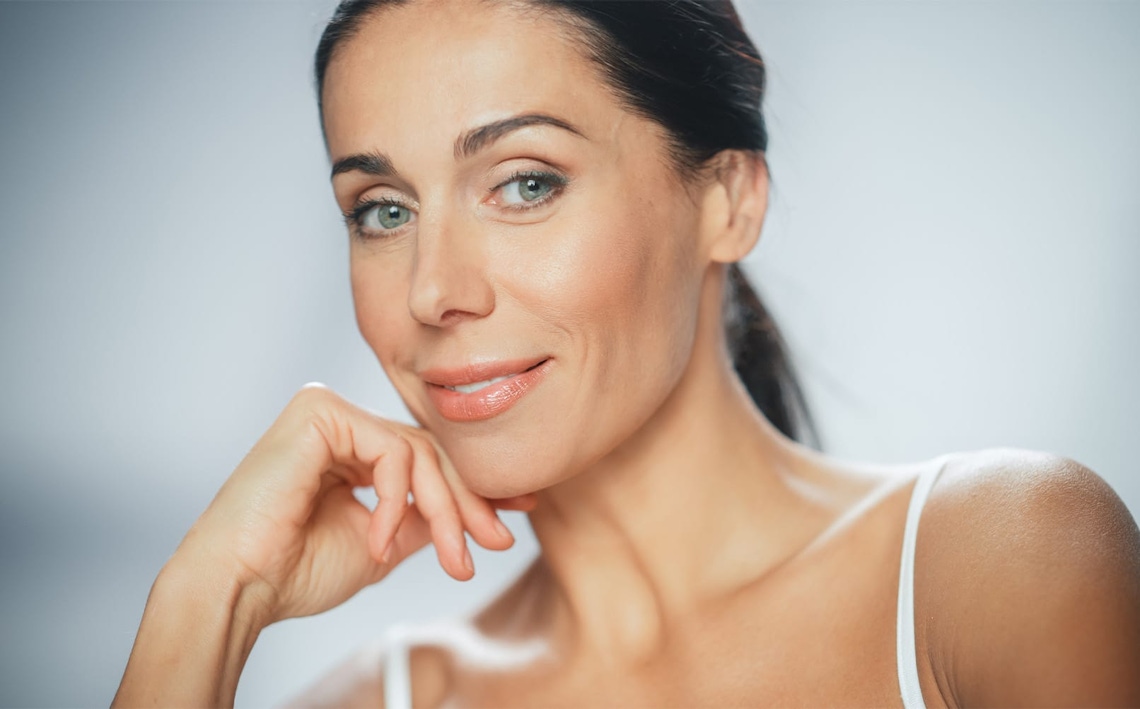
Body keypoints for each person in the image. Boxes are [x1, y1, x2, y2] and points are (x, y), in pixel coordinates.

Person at [113, 0, 1140, 706]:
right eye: (382, 210)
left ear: (727, 198)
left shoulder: (996, 567)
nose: (434, 291)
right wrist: (210, 599)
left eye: (525, 183)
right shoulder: (383, 699)